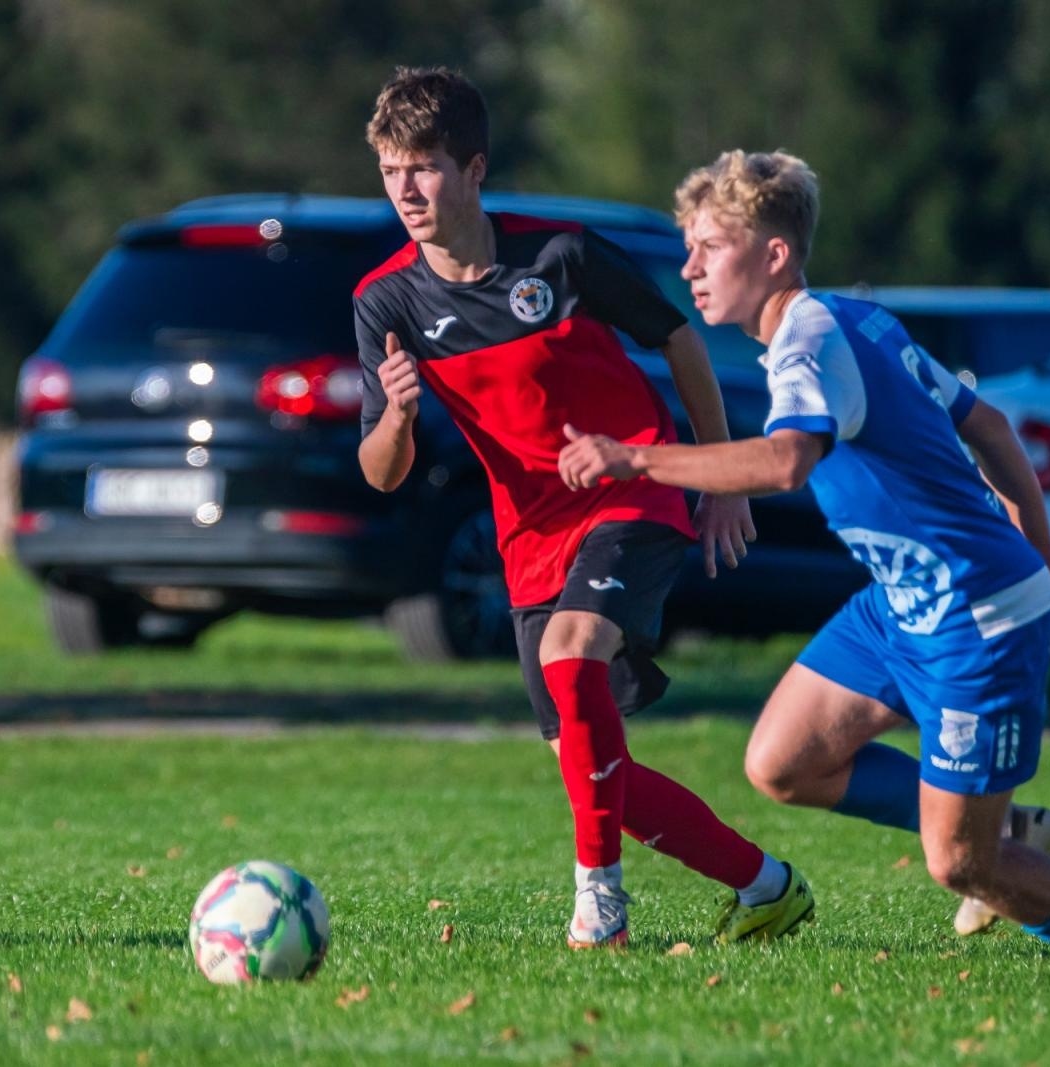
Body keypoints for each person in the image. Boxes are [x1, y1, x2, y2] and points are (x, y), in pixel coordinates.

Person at [557, 149, 1050, 999]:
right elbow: (990, 426)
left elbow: (784, 463)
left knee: (960, 862)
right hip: (901, 608)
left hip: (975, 618)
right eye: (687, 247)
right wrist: (1046, 545)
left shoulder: (812, 340)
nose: (690, 267)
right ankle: (1015, 824)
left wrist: (635, 458)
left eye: (709, 246)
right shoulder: (856, 320)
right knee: (782, 762)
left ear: (774, 254)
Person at [354, 67, 814, 949]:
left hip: (630, 489)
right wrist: (401, 414)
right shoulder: (386, 302)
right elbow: (382, 472)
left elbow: (677, 337)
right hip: (529, 534)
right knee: (588, 762)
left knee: (573, 659)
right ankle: (768, 886)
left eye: (425, 167)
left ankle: (599, 909)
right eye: (389, 170)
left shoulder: (557, 256)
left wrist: (714, 478)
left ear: (474, 168)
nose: (406, 189)